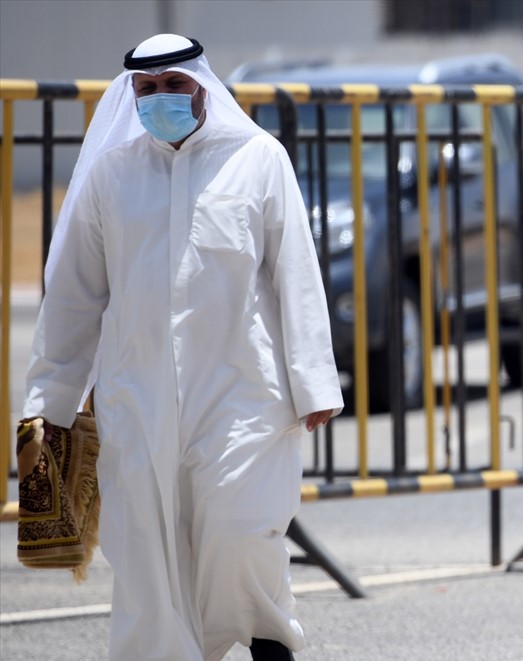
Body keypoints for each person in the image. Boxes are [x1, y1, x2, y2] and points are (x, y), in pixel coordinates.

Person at [22, 34, 342, 660]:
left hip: (244, 395)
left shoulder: (258, 158)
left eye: (174, 85)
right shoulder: (110, 177)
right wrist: (48, 403)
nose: (160, 98)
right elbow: (73, 299)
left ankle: (267, 643)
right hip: (135, 400)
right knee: (147, 553)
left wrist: (314, 382)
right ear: (130, 95)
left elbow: (296, 274)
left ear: (201, 86)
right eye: (146, 90)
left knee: (242, 533)